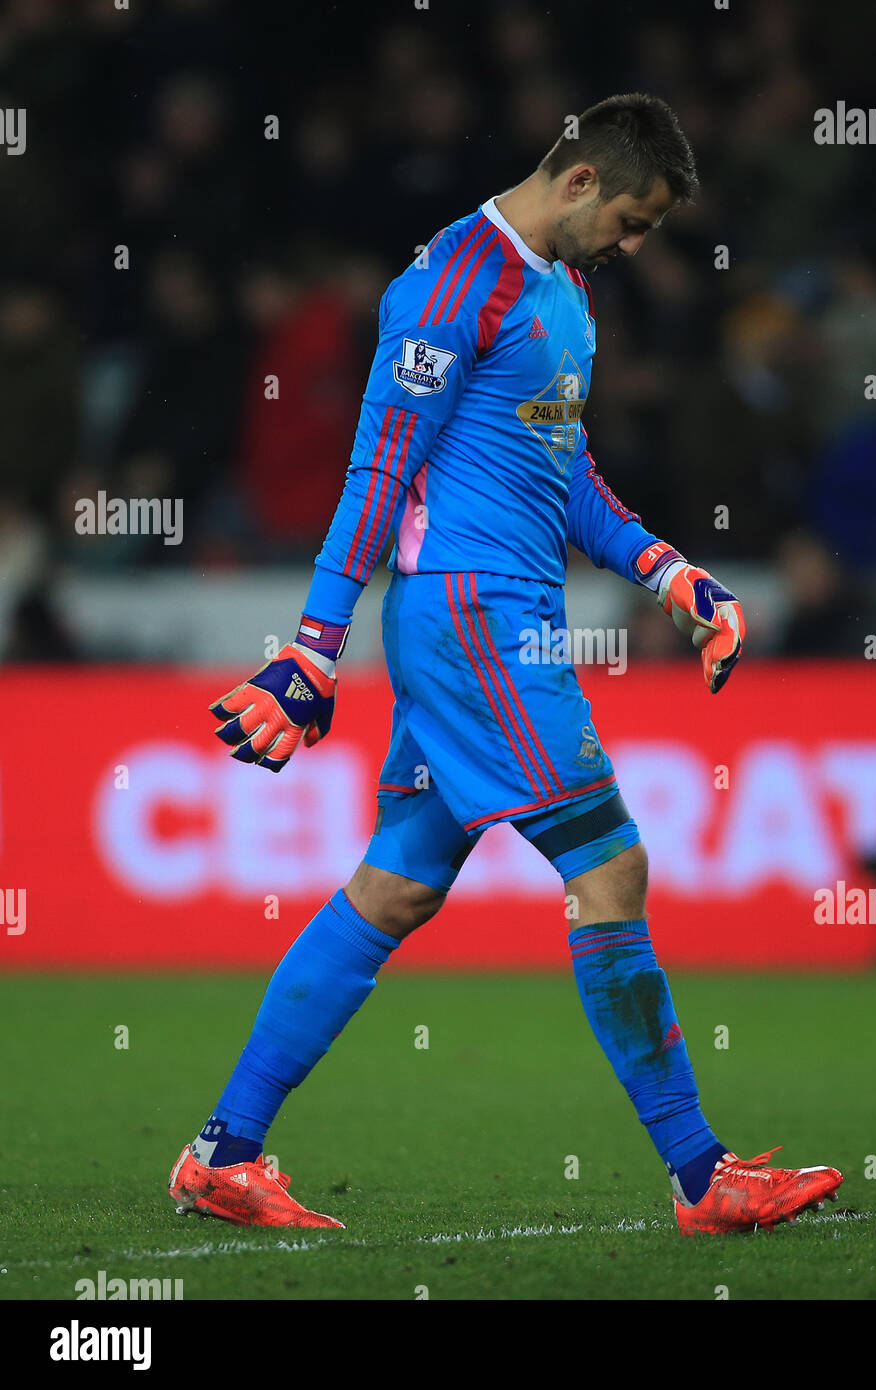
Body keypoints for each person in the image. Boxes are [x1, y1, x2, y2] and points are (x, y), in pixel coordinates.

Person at [168, 94, 841, 1237]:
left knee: (396, 883)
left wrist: (673, 573)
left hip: (493, 613)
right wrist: (312, 648)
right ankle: (699, 1175)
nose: (634, 246)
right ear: (579, 180)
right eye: (632, 219)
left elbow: (563, 478)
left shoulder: (565, 292)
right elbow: (380, 466)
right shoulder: (453, 281)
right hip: (477, 620)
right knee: (612, 871)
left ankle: (221, 1153)